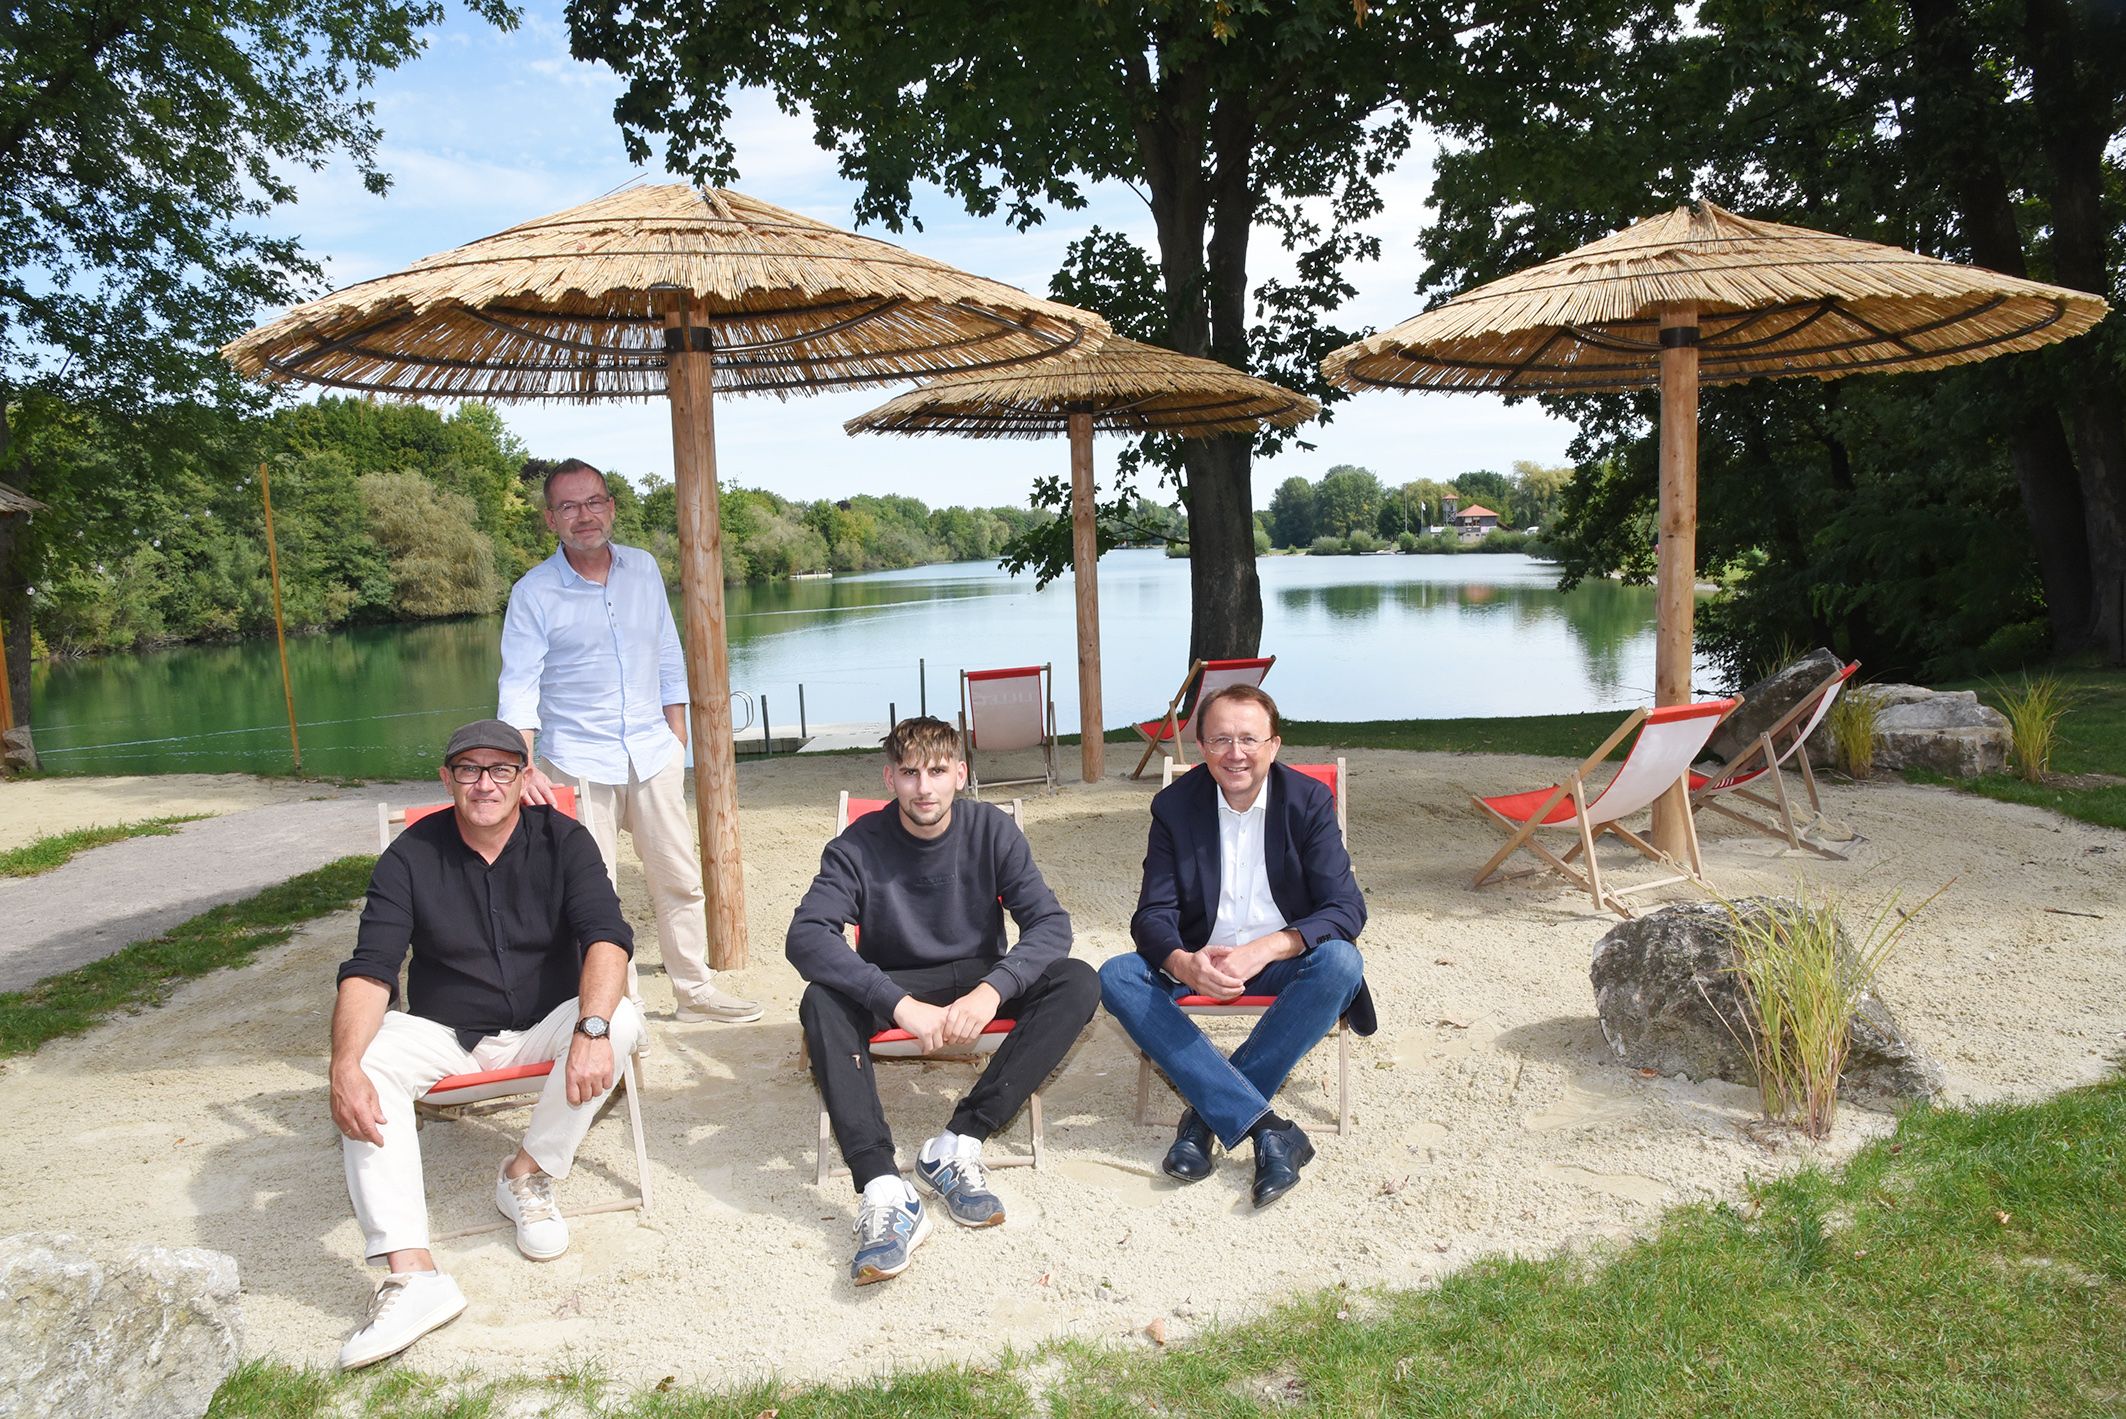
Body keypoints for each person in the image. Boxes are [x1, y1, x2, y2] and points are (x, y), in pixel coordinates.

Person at [328, 719, 643, 1370]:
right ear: (446, 778)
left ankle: (525, 1173)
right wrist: (343, 1063)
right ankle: (413, 1276)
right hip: (449, 1032)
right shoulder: (410, 857)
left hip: (543, 1023)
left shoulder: (564, 840)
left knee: (623, 1020)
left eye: (502, 769)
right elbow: (371, 967)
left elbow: (606, 934)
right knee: (369, 1062)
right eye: (468, 768)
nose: (484, 782)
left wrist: (590, 1027)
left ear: (526, 777)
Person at [787, 716, 1098, 1284]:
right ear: (890, 778)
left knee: (1077, 980)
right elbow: (806, 935)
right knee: (822, 1001)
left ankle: (958, 1143)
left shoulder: (992, 832)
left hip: (977, 977)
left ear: (960, 773)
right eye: (909, 773)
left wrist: (993, 990)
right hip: (897, 981)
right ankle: (883, 1187)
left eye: (936, 771)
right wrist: (898, 1003)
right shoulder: (856, 846)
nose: (923, 787)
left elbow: (1050, 924)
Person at [498, 458, 759, 1025]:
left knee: (679, 877)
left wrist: (677, 736)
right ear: (550, 520)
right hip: (576, 762)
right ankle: (623, 1006)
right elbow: (518, 686)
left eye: (593, 502)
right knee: (595, 894)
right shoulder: (533, 594)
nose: (583, 515)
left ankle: (694, 991)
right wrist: (522, 765)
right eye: (568, 506)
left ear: (611, 507)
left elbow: (668, 652)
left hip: (651, 752)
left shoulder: (642, 569)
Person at [1099, 684, 1374, 1207]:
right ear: (1200, 746)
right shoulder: (1174, 808)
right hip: (1200, 959)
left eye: (1249, 739)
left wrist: (1270, 947)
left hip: (1279, 962)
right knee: (1115, 976)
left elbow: (1346, 909)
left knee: (1341, 962)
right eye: (1221, 739)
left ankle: (1205, 1119)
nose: (1236, 753)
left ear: (1274, 745)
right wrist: (1184, 962)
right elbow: (1151, 915)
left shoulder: (1308, 801)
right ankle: (1271, 1129)